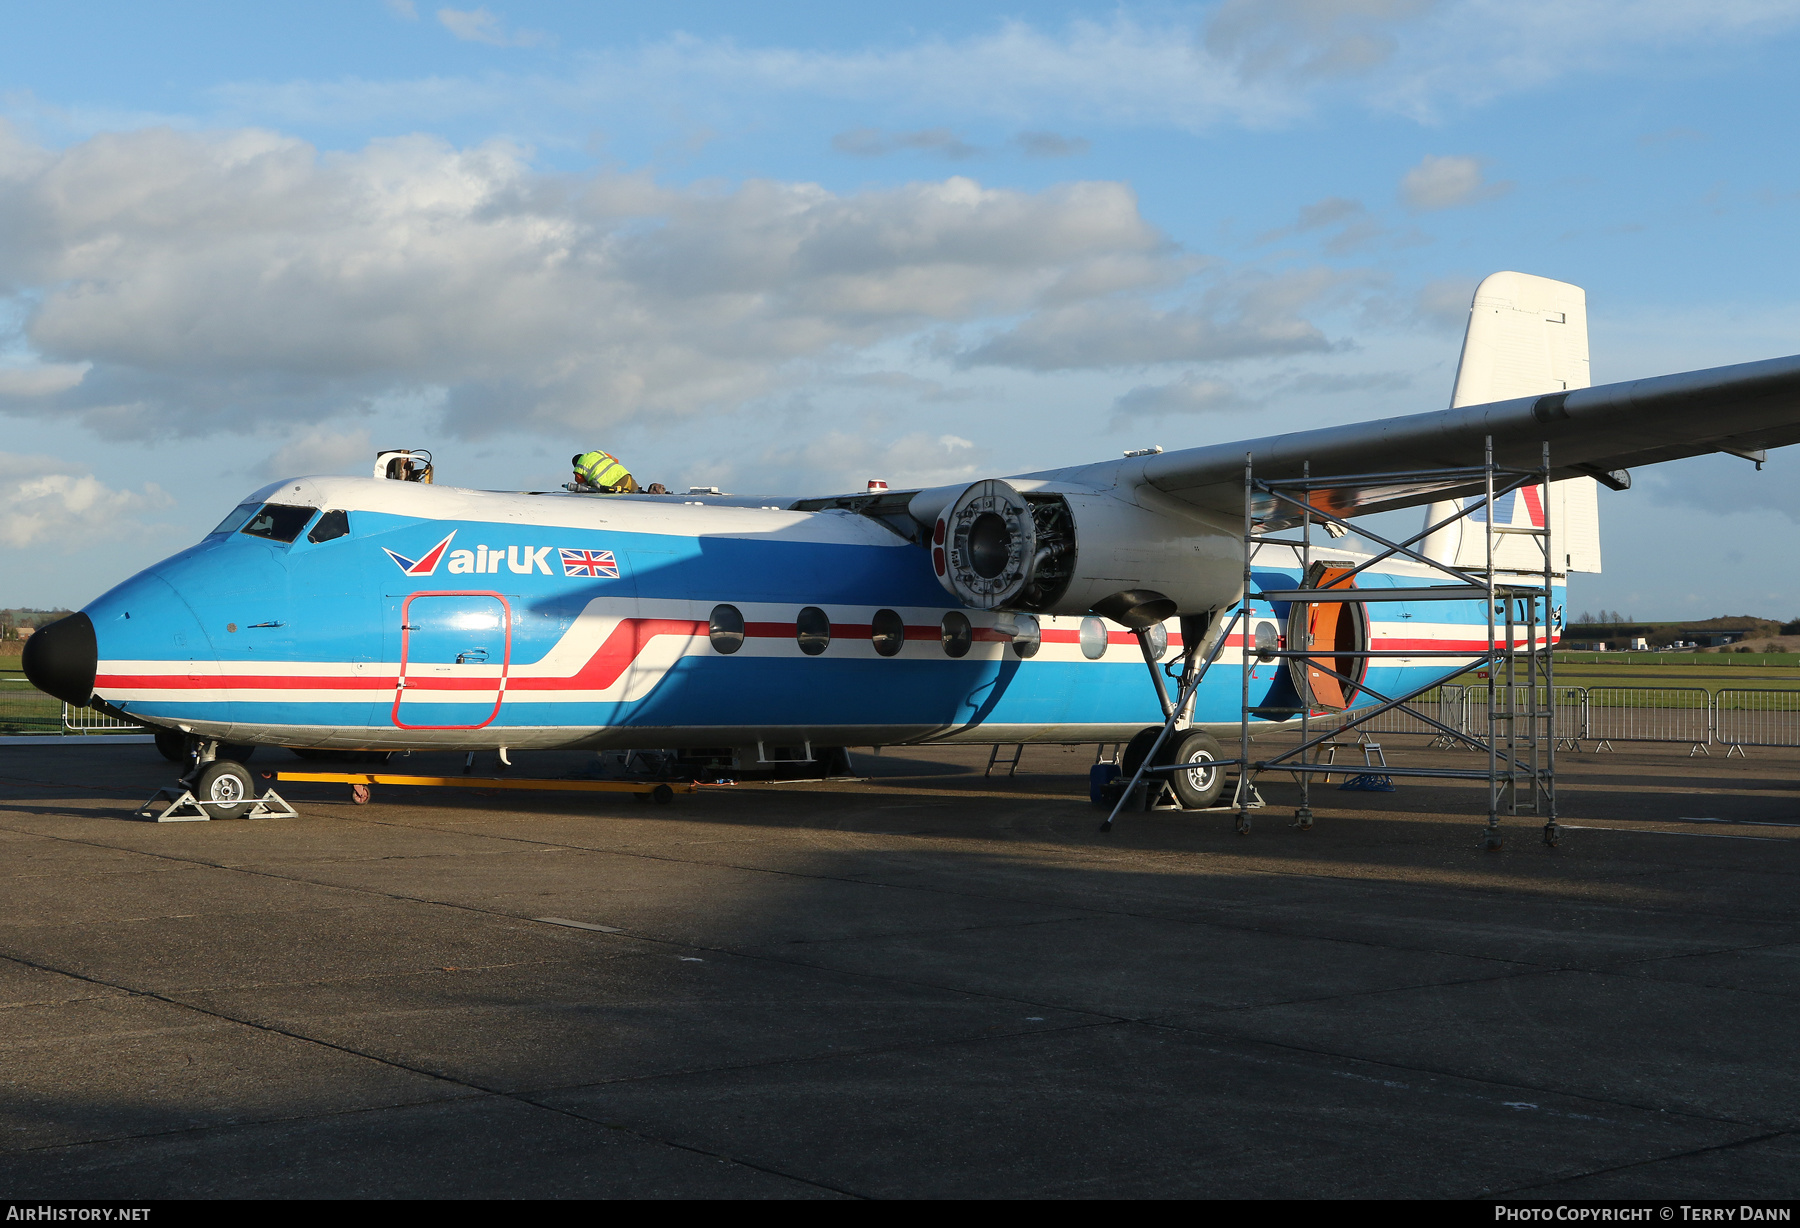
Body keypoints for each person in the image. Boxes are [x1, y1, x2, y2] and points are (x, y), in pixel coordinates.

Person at [571, 450, 637, 493]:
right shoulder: (597, 452)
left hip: (612, 486)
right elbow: (616, 460)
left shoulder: (579, 467)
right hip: (625, 475)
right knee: (640, 496)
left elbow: (583, 487)